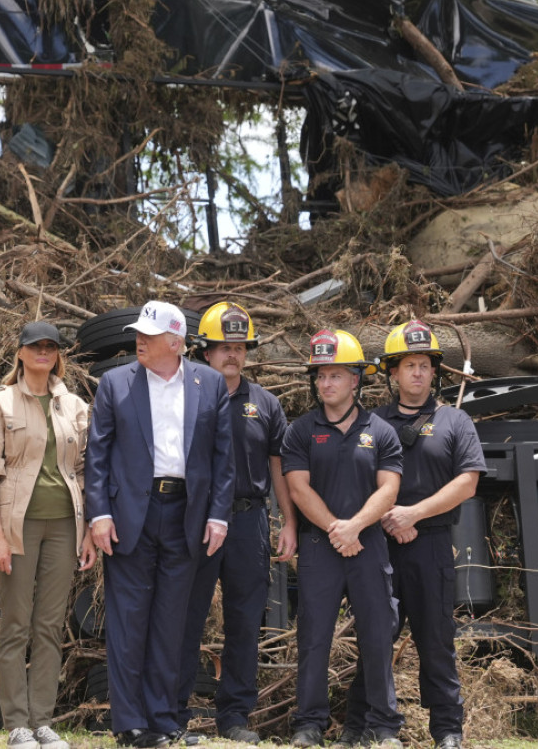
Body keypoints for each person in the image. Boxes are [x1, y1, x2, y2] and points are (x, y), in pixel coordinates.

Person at [85, 300, 235, 749]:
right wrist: (98, 514)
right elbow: (97, 455)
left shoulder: (209, 383)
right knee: (129, 622)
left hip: (187, 513)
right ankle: (130, 724)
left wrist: (218, 515)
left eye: (148, 336)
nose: (139, 341)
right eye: (138, 334)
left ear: (175, 342)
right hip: (130, 514)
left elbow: (223, 458)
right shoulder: (115, 382)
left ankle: (164, 720)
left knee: (172, 622)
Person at [335, 320, 485, 749]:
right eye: (408, 365)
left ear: (433, 371)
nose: (417, 372)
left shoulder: (454, 421)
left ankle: (447, 731)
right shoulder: (370, 422)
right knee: (376, 639)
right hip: (378, 546)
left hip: (431, 545)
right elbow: (353, 478)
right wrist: (384, 519)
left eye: (424, 365)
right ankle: (358, 728)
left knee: (435, 640)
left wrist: (413, 515)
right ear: (393, 373)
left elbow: (468, 482)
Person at [0, 321, 97, 749]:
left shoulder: (75, 405)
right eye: (35, 345)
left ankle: (42, 722)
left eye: (51, 346)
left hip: (65, 524)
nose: (43, 351)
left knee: (49, 625)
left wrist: (87, 532)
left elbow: (83, 471)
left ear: (58, 354)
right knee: (15, 624)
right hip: (16, 524)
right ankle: (17, 725)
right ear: (21, 353)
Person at [176, 302, 295, 746]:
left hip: (248, 521)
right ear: (205, 351)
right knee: (185, 616)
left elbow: (279, 467)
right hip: (195, 519)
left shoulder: (265, 403)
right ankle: (174, 712)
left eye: (240, 347)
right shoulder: (185, 397)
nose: (232, 354)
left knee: (245, 622)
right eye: (224, 347)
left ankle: (234, 716)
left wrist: (288, 522)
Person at [280, 329, 404, 749]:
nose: (326, 383)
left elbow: (389, 489)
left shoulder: (381, 431)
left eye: (335, 375)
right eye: (320, 376)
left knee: (377, 635)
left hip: (368, 546)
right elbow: (298, 489)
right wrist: (338, 529)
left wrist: (355, 528)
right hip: (320, 549)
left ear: (355, 380)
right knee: (314, 637)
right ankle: (309, 724)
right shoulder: (301, 431)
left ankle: (383, 726)